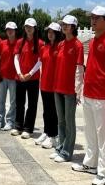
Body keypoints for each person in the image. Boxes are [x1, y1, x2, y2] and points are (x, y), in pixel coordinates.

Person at [71, 6, 105, 185]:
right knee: (90, 132)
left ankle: (104, 172)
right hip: (89, 93)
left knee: (104, 136)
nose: (92, 20)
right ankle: (90, 163)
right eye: (91, 17)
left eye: (96, 18)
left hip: (103, 96)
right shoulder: (93, 41)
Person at [51, 15, 84, 163]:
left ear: (73, 27)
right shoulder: (60, 44)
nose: (64, 26)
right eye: (63, 24)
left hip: (70, 90)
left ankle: (67, 152)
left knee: (69, 122)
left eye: (67, 24)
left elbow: (79, 69)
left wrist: (78, 91)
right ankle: (60, 147)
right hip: (57, 87)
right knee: (61, 121)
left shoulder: (78, 45)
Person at [12, 17, 44, 139]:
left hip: (33, 79)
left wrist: (30, 73)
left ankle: (28, 128)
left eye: (30, 27)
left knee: (32, 104)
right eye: (26, 27)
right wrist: (19, 73)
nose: (28, 29)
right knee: (19, 103)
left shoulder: (40, 43)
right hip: (20, 78)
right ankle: (18, 126)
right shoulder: (20, 42)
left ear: (35, 29)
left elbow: (40, 61)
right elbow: (16, 58)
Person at [35, 21, 62, 149]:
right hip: (44, 84)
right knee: (46, 111)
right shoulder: (44, 48)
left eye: (53, 32)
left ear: (58, 34)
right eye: (48, 32)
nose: (50, 34)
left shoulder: (60, 47)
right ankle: (46, 132)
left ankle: (53, 135)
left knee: (53, 112)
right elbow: (40, 63)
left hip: (54, 85)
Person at [0, 21, 19, 130]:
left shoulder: (19, 43)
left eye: (12, 29)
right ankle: (0, 120)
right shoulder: (2, 43)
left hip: (14, 77)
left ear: (15, 31)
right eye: (8, 29)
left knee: (13, 101)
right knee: (0, 100)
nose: (9, 31)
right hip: (2, 76)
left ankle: (10, 121)